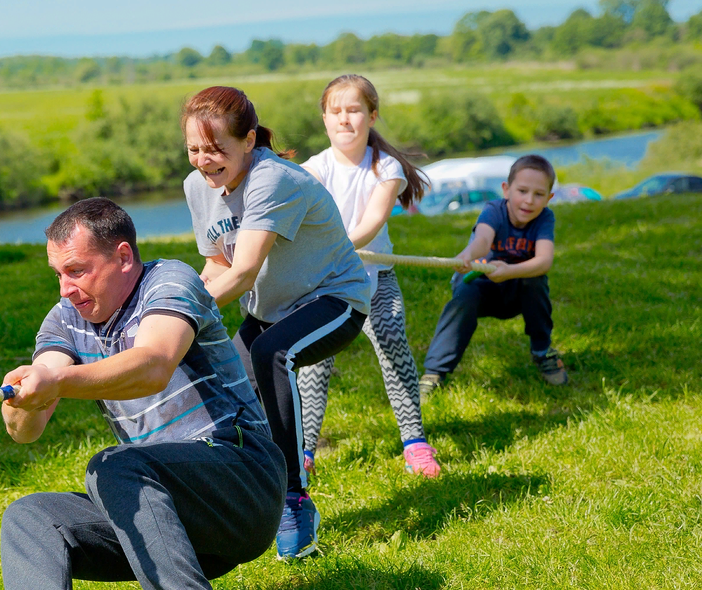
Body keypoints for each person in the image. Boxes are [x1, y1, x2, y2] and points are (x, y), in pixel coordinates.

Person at [0, 198, 283, 590]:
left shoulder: (169, 282)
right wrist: (24, 399)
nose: (65, 287)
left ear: (123, 257)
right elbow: (25, 432)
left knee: (111, 465)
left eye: (77, 270)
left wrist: (56, 380)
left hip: (242, 481)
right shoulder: (66, 319)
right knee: (30, 518)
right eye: (58, 273)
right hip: (168, 514)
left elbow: (152, 364)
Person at [180, 87, 371, 561]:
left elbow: (242, 271)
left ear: (248, 141)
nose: (204, 161)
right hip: (267, 312)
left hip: (334, 300)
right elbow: (217, 267)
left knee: (272, 355)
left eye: (216, 149)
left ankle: (294, 499)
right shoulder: (196, 187)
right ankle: (249, 492)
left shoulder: (273, 180)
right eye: (194, 149)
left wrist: (179, 321)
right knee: (231, 385)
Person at [296, 75, 441, 478]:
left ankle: (415, 442)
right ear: (324, 119)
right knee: (313, 363)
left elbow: (372, 222)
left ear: (372, 115)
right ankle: (303, 452)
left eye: (354, 110)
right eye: (335, 111)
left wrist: (336, 246)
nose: (345, 119)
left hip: (376, 276)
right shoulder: (313, 170)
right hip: (325, 282)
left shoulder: (386, 167)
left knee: (395, 347)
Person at [419, 154, 568, 397]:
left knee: (535, 280)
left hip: (516, 291)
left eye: (539, 194)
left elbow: (544, 261)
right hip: (480, 287)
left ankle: (543, 352)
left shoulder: (544, 218)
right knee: (462, 298)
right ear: (506, 189)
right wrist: (467, 254)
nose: (529, 200)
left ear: (549, 198)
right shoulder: (493, 210)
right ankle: (435, 371)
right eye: (522, 191)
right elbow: (483, 240)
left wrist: (510, 271)